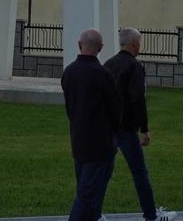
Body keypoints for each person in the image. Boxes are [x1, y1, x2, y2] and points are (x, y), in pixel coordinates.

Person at [104, 27, 178, 221]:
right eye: (139, 43)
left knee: (103, 172)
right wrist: (144, 129)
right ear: (135, 44)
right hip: (127, 128)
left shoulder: (108, 64)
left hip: (108, 127)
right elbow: (138, 98)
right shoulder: (134, 67)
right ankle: (151, 215)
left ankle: (93, 213)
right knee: (139, 172)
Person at [61, 27, 120, 221]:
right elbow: (115, 110)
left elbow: (70, 107)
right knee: (87, 196)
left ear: (79, 45)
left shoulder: (68, 72)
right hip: (101, 144)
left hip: (78, 139)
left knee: (88, 191)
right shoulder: (103, 75)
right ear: (100, 48)